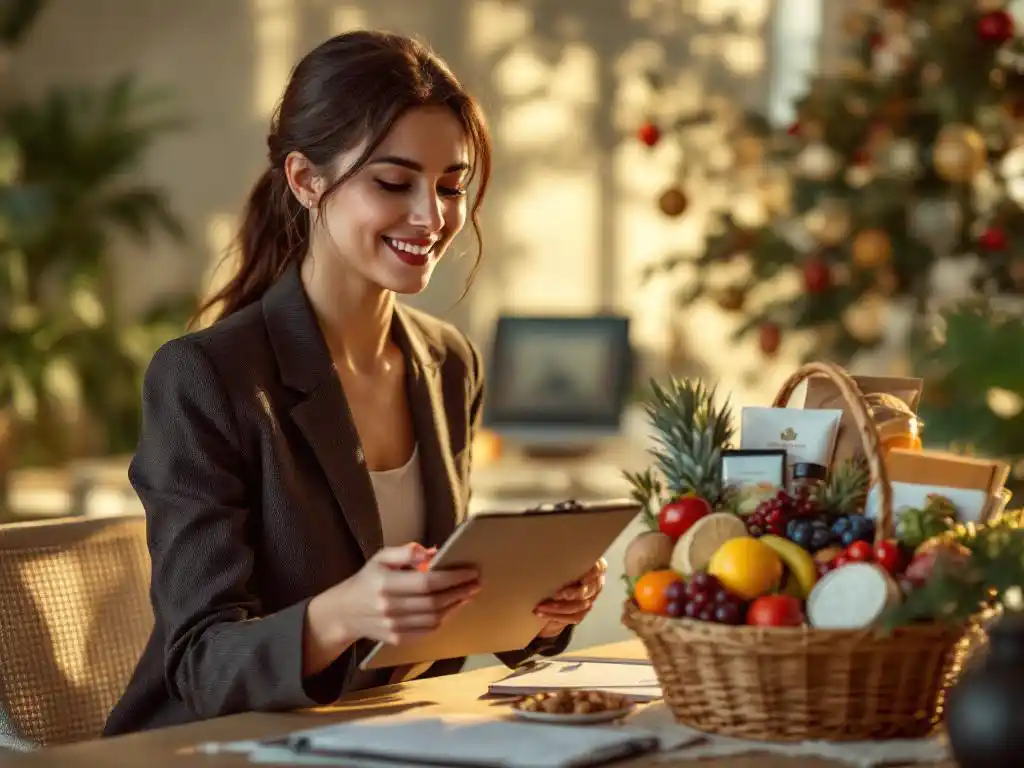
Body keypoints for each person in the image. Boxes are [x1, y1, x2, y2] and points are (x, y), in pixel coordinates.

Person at [103, 30, 606, 736]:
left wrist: (539, 608)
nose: (431, 217)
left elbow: (434, 613)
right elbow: (202, 664)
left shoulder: (449, 363)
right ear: (307, 180)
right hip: (214, 744)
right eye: (394, 182)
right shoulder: (206, 377)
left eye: (451, 186)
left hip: (386, 732)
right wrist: (346, 612)